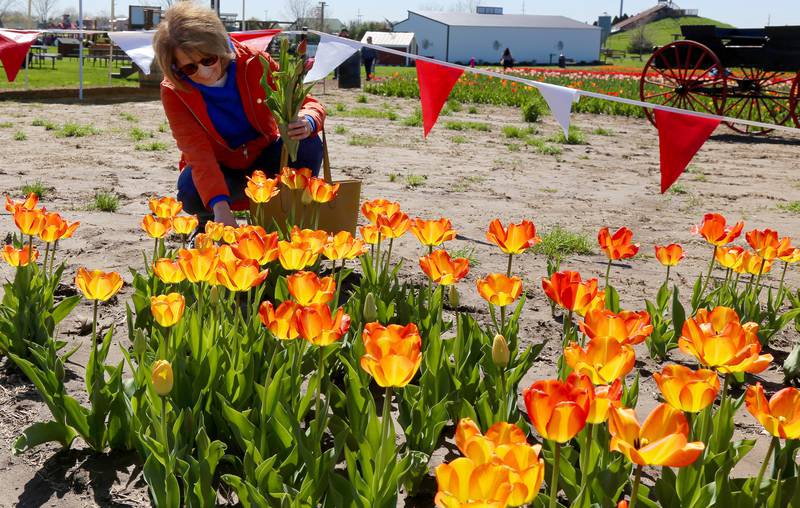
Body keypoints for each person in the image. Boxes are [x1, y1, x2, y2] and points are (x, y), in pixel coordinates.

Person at [153, 2, 326, 229]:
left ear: (219, 46)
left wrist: (308, 119)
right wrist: (221, 210)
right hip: (222, 168)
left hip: (265, 158)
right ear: (175, 68)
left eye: (208, 60)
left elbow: (308, 103)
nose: (204, 73)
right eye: (189, 68)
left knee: (308, 144)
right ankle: (207, 222)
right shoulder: (174, 91)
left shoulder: (255, 63)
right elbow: (197, 152)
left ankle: (288, 218)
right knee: (189, 189)